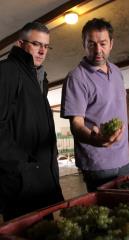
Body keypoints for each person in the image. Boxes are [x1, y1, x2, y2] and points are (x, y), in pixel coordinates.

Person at [0, 22, 63, 221]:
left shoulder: (39, 79)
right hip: (22, 183)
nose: (42, 51)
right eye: (36, 44)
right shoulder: (7, 71)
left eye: (46, 46)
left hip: (42, 179)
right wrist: (25, 166)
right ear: (20, 43)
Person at [61, 18, 129, 192]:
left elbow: (121, 109)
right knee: (107, 215)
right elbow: (76, 125)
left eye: (103, 43)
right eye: (91, 44)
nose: (98, 50)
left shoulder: (116, 71)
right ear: (84, 44)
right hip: (98, 164)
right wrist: (96, 139)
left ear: (111, 44)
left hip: (124, 158)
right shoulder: (76, 78)